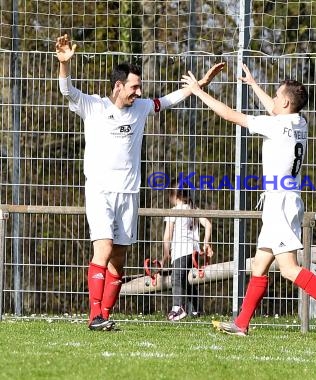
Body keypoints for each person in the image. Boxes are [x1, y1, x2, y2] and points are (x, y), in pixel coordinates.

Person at [55, 33, 225, 331]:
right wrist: (64, 65)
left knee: (119, 259)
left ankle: (104, 315)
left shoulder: (142, 107)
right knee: (103, 248)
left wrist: (200, 86)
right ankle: (95, 315)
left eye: (139, 87)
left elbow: (168, 100)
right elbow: (67, 91)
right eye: (134, 86)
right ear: (118, 86)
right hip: (100, 191)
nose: (138, 91)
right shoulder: (93, 106)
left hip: (129, 194)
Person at [180, 64, 316, 339]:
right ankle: (241, 324)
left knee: (289, 269)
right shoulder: (299, 122)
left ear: (285, 101)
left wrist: (198, 92)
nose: (271, 100)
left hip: (280, 203)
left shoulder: (275, 125)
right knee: (259, 266)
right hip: (284, 199)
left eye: (275, 96)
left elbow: (231, 115)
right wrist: (252, 84)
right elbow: (276, 108)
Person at [161, 184, 214, 321]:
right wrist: (206, 242)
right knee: (188, 280)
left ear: (175, 196)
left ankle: (177, 308)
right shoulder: (193, 209)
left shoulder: (173, 211)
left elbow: (167, 235)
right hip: (193, 250)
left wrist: (166, 254)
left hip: (180, 250)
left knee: (177, 278)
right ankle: (195, 311)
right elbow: (208, 224)